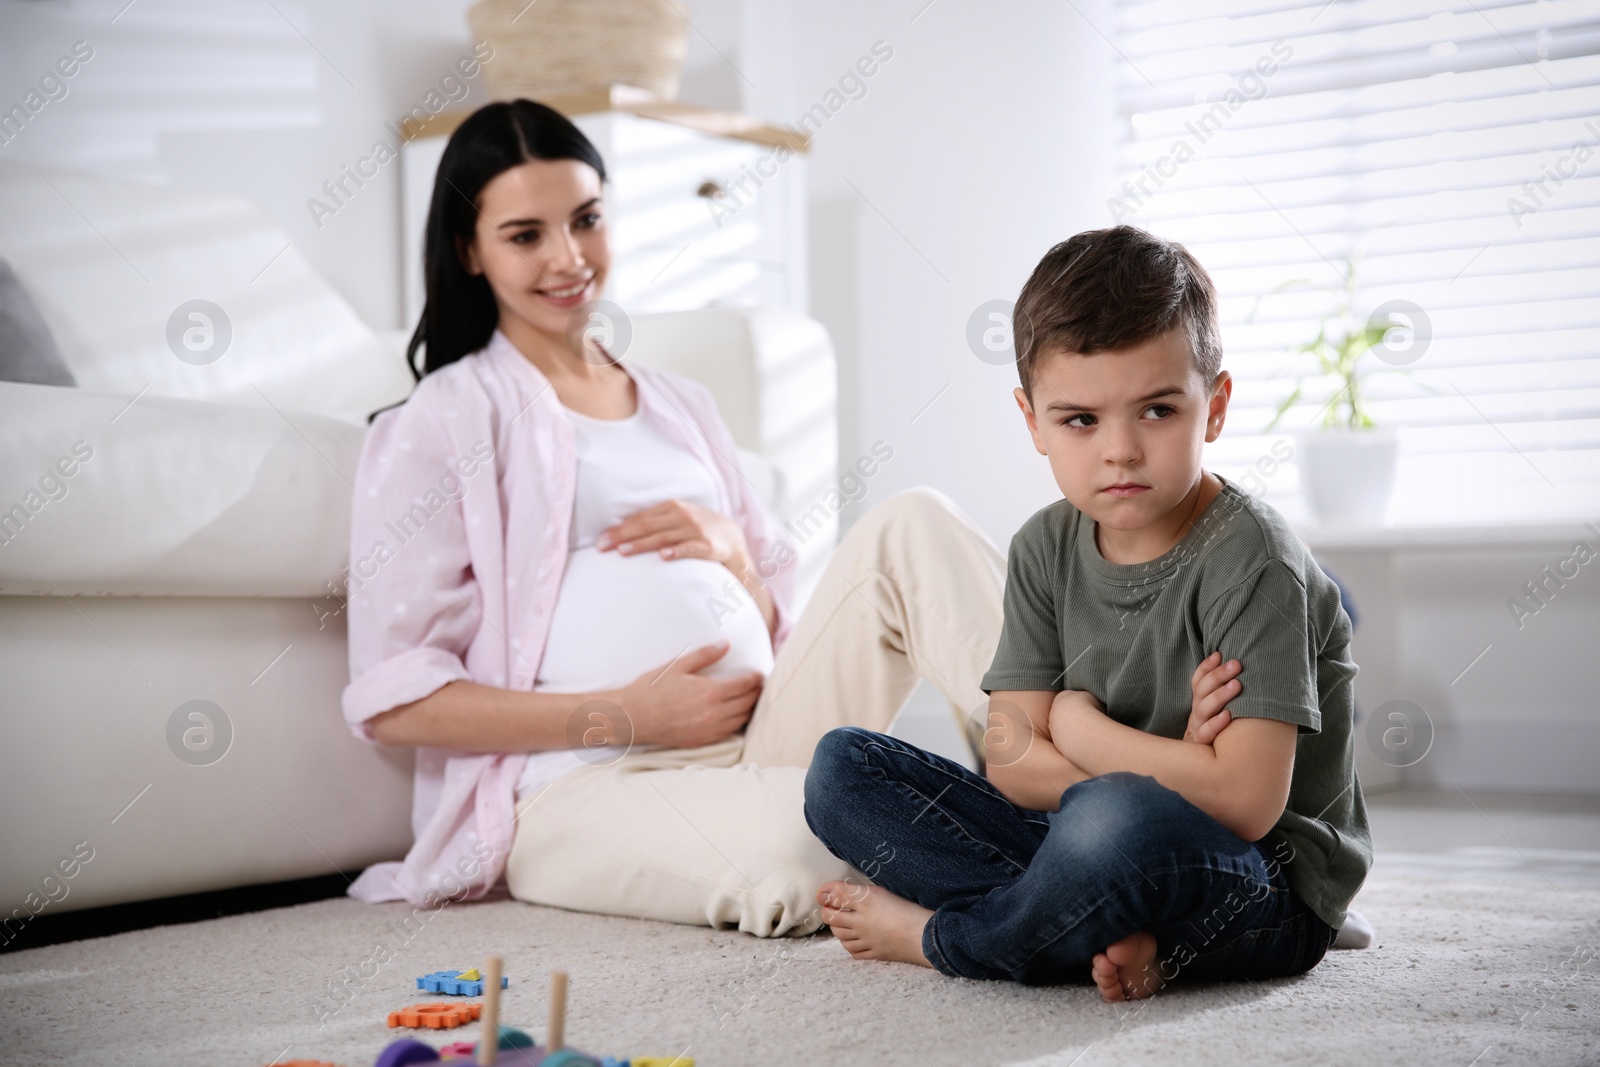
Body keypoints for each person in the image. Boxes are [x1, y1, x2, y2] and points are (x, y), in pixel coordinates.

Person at [339, 99, 1010, 937]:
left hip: (764, 734)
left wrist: (735, 555)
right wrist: (619, 714)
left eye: (586, 219)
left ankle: (1071, 783)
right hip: (578, 786)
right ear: (469, 250)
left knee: (916, 520)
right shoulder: (443, 419)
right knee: (801, 850)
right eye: (525, 234)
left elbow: (779, 621)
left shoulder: (681, 407)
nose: (569, 257)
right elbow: (397, 698)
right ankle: (1057, 873)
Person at [802, 225, 1374, 998]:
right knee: (843, 770)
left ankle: (948, 937)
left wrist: (1081, 729)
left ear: (1215, 406)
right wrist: (1180, 759)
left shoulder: (1254, 558)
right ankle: (1097, 923)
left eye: (1158, 411)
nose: (1121, 450)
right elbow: (1009, 761)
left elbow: (1243, 801)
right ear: (1031, 420)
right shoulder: (1044, 545)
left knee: (1110, 822)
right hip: (1088, 839)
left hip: (1262, 880)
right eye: (1080, 419)